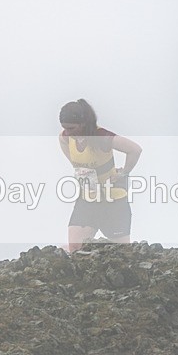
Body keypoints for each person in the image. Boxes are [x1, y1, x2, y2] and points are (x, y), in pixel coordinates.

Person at [58, 99, 142, 253]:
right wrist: (80, 169)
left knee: (122, 254)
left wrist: (124, 172)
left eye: (71, 128)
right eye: (65, 128)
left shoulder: (101, 136)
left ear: (83, 123)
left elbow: (135, 150)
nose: (68, 133)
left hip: (113, 200)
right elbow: (72, 156)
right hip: (88, 198)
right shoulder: (65, 138)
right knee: (75, 248)